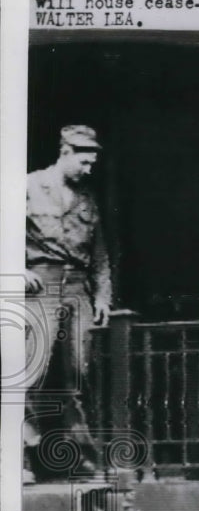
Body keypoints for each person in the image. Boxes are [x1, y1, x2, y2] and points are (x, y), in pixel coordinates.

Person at [23, 125, 111, 484]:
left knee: (77, 375)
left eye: (92, 163)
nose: (88, 169)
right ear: (65, 152)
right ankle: (25, 457)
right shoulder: (27, 186)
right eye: (84, 162)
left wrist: (103, 295)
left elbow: (101, 255)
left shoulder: (87, 199)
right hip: (39, 284)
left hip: (77, 289)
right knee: (32, 372)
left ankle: (78, 459)